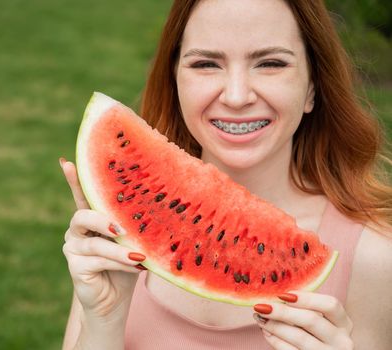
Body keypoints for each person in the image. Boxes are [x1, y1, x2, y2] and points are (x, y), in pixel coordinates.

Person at [60, 0, 392, 348]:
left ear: (312, 86)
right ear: (176, 81)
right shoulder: (119, 227)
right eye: (206, 64)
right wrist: (103, 321)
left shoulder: (373, 260)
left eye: (271, 63)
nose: (236, 96)